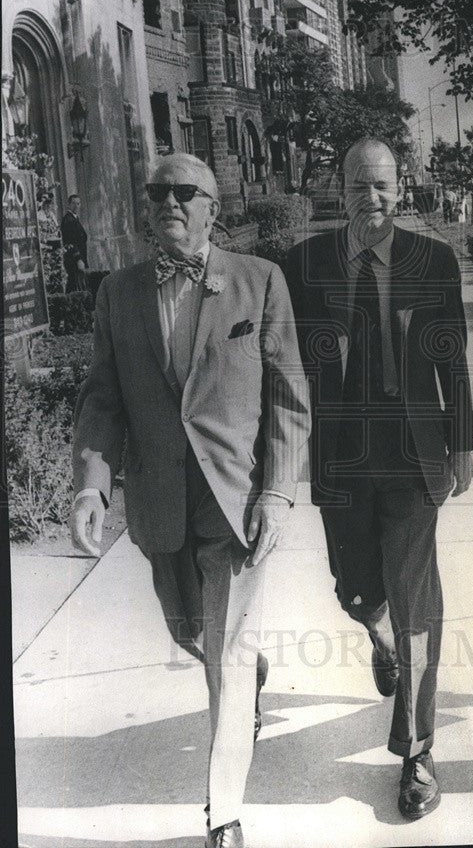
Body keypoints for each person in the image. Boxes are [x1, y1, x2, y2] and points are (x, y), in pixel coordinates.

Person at [70, 153, 311, 848]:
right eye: (158, 194)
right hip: (158, 502)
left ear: (213, 209)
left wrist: (276, 489)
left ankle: (223, 814)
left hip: (235, 501)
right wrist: (92, 483)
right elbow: (101, 397)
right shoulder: (117, 292)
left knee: (225, 663)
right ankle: (247, 671)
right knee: (191, 635)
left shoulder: (259, 282)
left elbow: (289, 398)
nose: (169, 204)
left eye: (185, 194)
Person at [285, 138, 473, 821]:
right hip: (340, 458)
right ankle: (379, 632)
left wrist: (465, 445)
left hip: (413, 453)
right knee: (356, 591)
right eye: (360, 185)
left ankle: (416, 751)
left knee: (416, 596)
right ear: (340, 189)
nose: (374, 197)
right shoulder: (304, 265)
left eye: (384, 185)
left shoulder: (433, 261)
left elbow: (452, 359)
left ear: (403, 188)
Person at [61, 193, 89, 292]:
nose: (76, 206)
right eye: (73, 203)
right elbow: (70, 241)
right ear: (68, 204)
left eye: (78, 204)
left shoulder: (74, 218)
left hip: (77, 258)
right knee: (74, 286)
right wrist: (78, 259)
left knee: (77, 285)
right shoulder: (69, 220)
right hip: (73, 260)